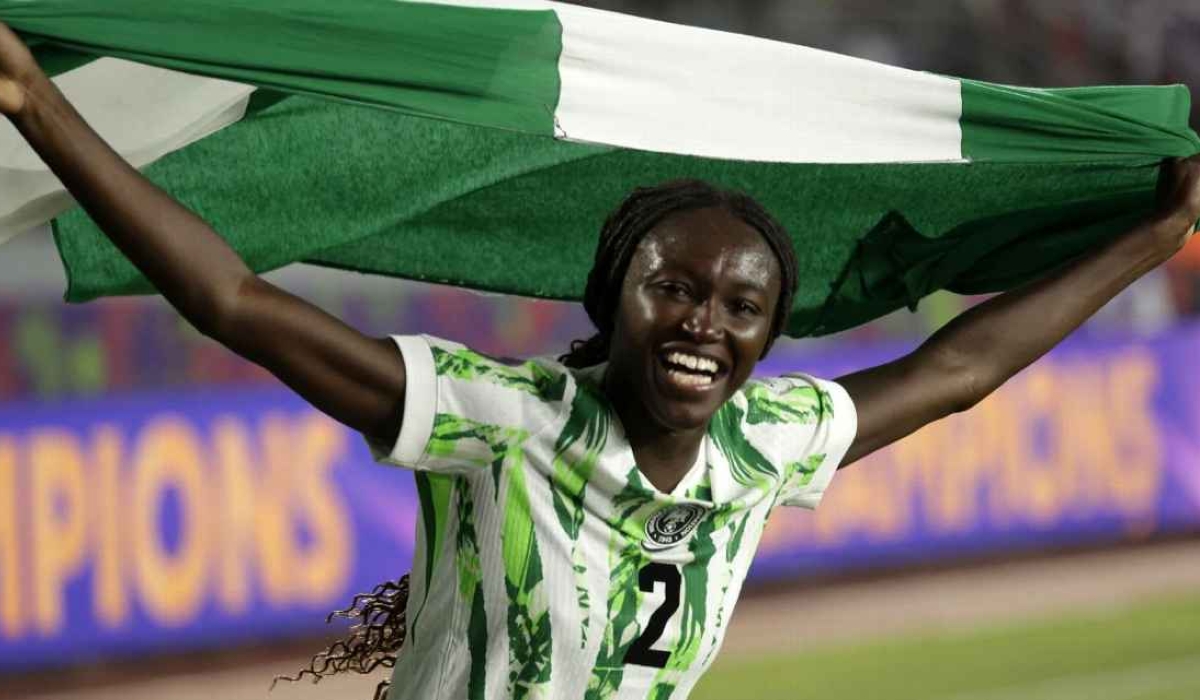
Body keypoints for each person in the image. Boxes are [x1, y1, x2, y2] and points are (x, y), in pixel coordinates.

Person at [2, 22, 1198, 700]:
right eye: (670, 287)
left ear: (770, 335)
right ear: (613, 300)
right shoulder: (505, 418)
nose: (701, 323)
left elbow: (961, 367)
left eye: (740, 305)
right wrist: (44, 110)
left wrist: (1152, 234)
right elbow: (235, 299)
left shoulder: (766, 442)